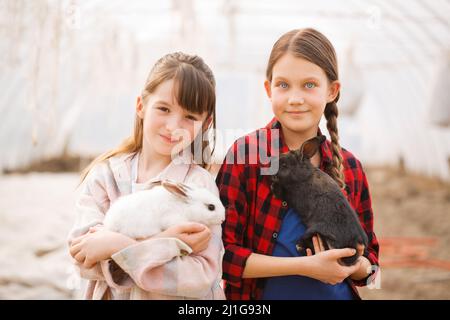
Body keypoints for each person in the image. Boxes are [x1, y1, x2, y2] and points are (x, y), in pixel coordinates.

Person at [216, 28, 379, 300]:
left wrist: (357, 267)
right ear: (268, 89)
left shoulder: (350, 167)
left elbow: (373, 270)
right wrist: (306, 267)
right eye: (283, 85)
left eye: (309, 85)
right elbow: (222, 256)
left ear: (332, 91)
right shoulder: (246, 156)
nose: (295, 98)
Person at [68, 52, 225, 300]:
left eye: (190, 117)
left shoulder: (199, 187)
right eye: (163, 108)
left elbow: (199, 277)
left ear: (205, 124)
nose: (173, 126)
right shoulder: (106, 176)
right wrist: (166, 242)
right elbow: (83, 258)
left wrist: (116, 245)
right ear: (141, 105)